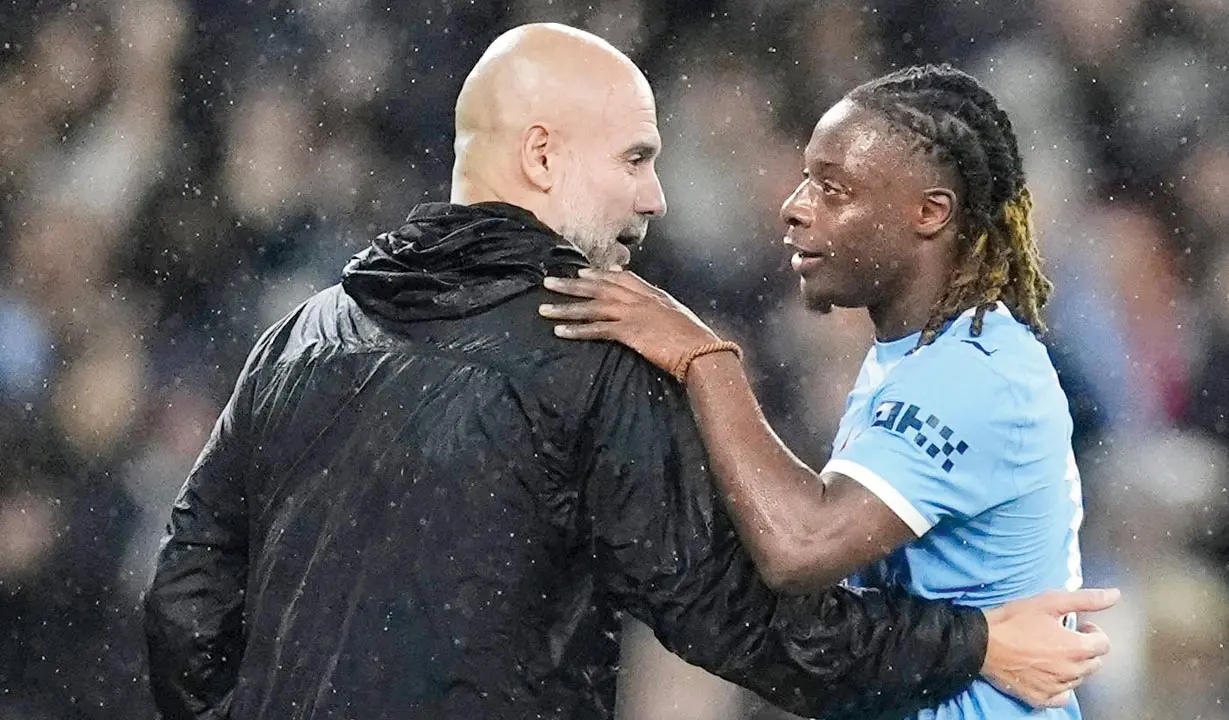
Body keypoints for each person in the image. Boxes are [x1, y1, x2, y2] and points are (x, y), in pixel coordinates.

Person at [143, 26, 1115, 720]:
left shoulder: (306, 332)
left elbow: (183, 604)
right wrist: (974, 645)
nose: (654, 193)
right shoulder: (590, 343)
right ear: (540, 156)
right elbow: (757, 622)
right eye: (635, 157)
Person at [540, 63, 1098, 719]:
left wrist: (704, 358)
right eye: (807, 178)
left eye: (834, 189)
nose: (796, 206)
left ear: (930, 213)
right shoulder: (912, 356)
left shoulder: (973, 375)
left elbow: (799, 548)